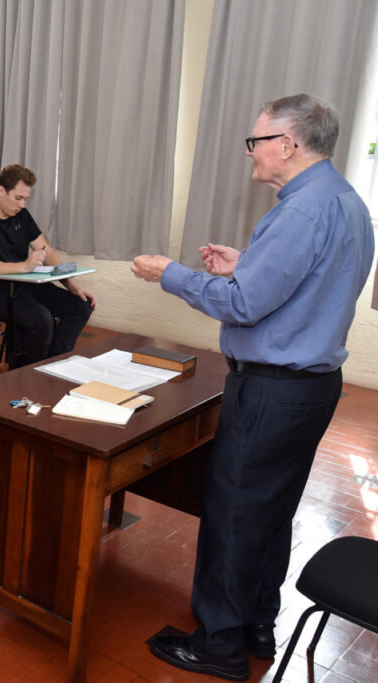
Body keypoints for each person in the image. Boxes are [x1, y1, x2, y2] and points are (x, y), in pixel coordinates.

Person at [132, 94, 374, 681]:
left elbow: (245, 307)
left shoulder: (300, 211)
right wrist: (246, 261)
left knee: (235, 512)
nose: (251, 152)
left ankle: (219, 644)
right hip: (313, 387)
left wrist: (173, 275)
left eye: (257, 141)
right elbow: (309, 282)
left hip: (271, 389)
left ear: (288, 145)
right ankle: (256, 622)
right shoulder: (345, 201)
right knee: (271, 510)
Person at [0, 164, 95, 368]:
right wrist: (23, 266)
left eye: (26, 199)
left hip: (24, 285)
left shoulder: (21, 216)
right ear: (1, 191)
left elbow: (46, 250)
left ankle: (52, 364)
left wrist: (72, 286)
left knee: (81, 306)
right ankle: (29, 375)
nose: (22, 205)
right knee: (41, 318)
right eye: (18, 198)